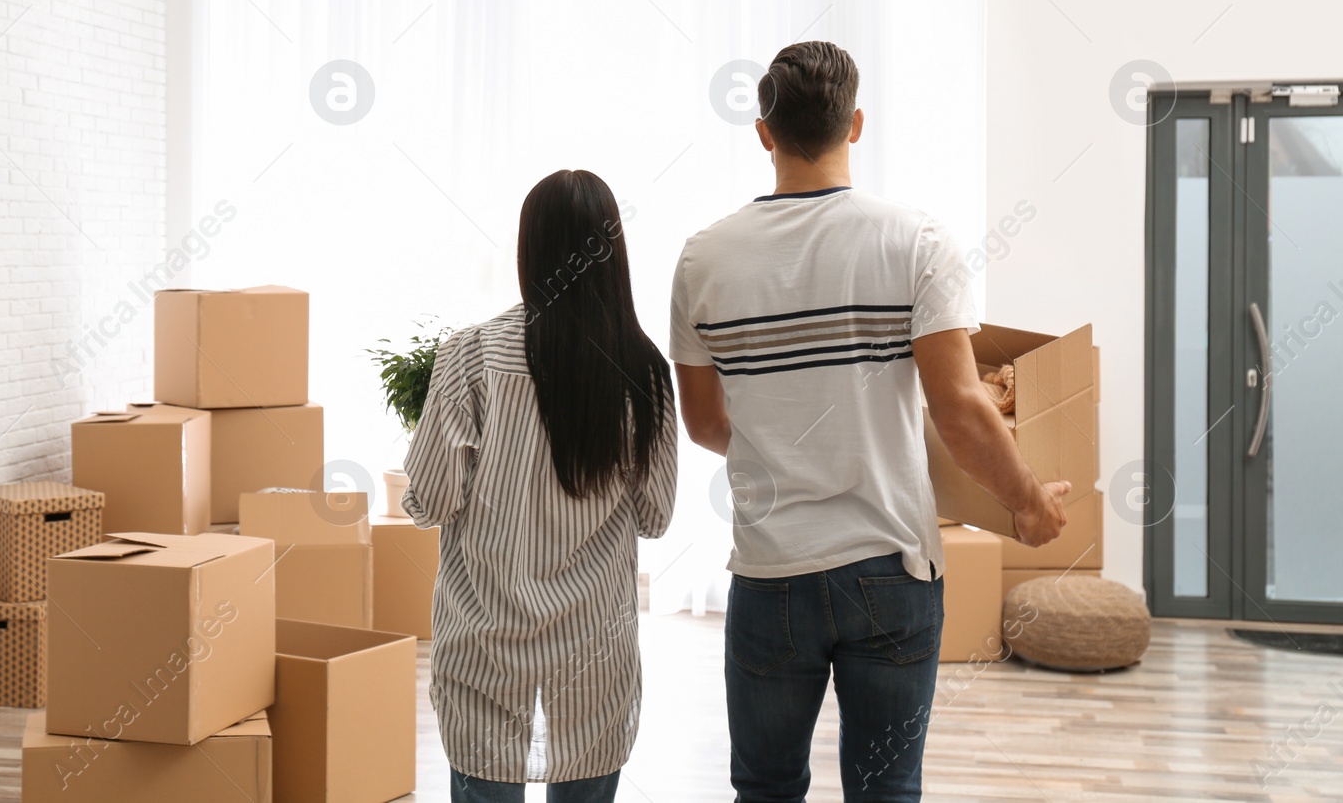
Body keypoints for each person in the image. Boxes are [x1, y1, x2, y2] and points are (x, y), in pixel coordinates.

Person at [668, 41, 1069, 802]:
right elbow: (960, 408)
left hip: (770, 572)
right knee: (887, 791)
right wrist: (1027, 501)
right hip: (890, 569)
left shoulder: (703, 260)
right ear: (855, 124)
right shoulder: (914, 241)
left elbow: (705, 422)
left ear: (764, 132)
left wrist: (778, 441)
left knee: (765, 789)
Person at [402, 169, 679, 803]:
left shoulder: (469, 355)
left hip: (483, 647)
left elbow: (427, 502)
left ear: (528, 249)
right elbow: (655, 515)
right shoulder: (644, 369)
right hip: (594, 655)